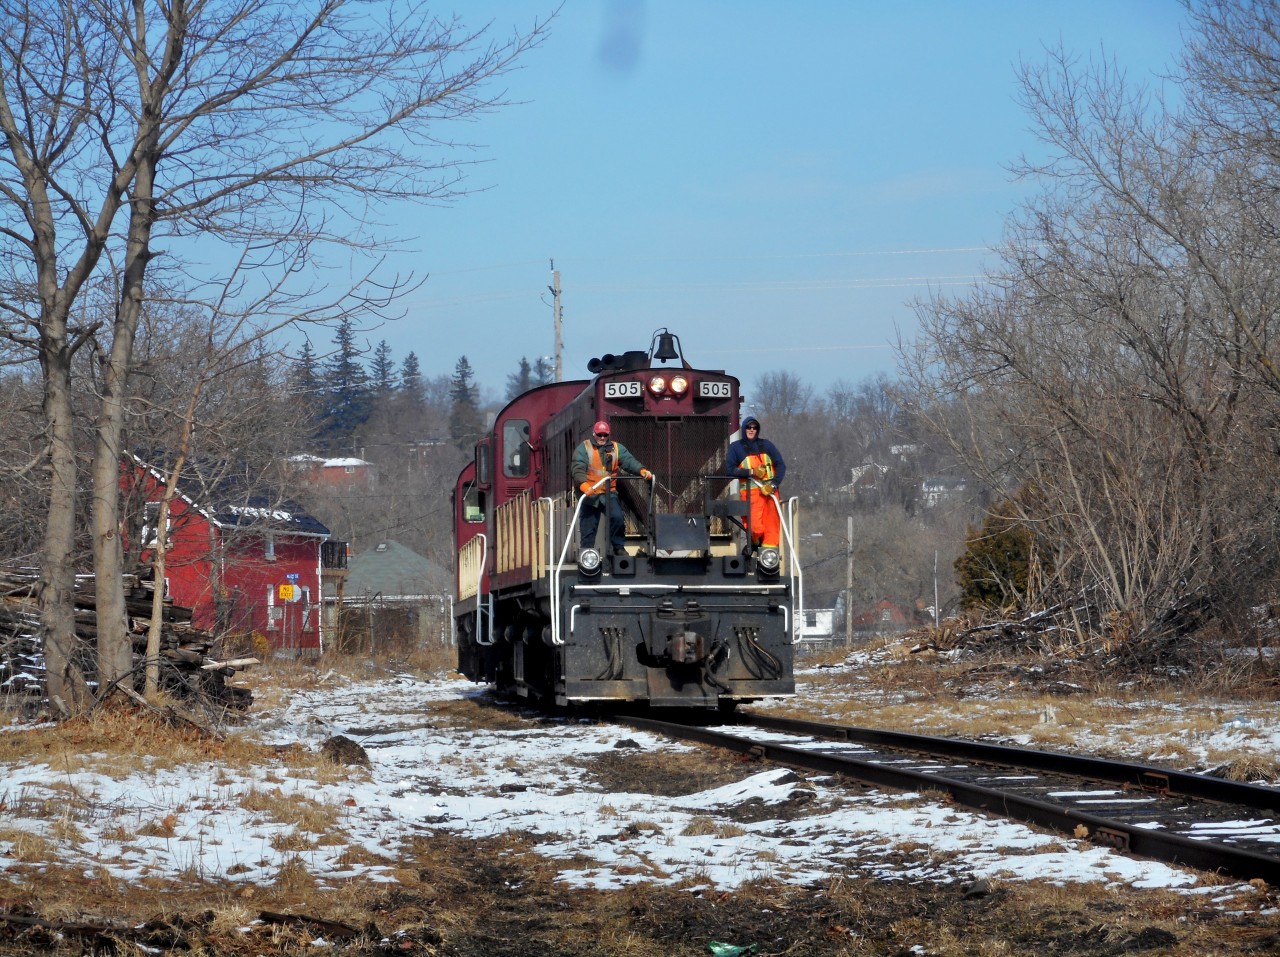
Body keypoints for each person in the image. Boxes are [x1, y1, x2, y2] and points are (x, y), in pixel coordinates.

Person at [571, 420, 652, 554]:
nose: (602, 437)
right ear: (594, 434)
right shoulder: (583, 448)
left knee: (617, 518)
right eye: (599, 434)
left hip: (609, 493)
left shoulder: (617, 448)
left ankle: (618, 548)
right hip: (589, 496)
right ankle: (587, 553)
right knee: (588, 528)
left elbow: (629, 461)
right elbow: (577, 468)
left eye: (605, 435)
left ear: (608, 435)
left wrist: (641, 470)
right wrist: (583, 485)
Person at [725, 416, 786, 551]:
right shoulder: (736, 448)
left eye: (754, 427)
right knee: (755, 526)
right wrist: (751, 472)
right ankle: (755, 541)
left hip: (770, 491)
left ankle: (769, 552)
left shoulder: (767, 445)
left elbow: (781, 465)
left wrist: (774, 484)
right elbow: (729, 470)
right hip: (751, 494)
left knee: (772, 524)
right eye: (749, 427)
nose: (751, 430)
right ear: (744, 428)